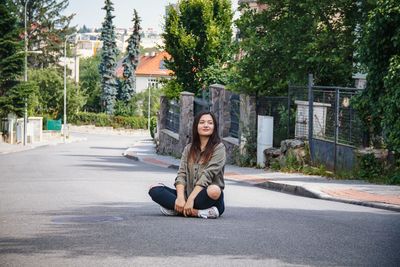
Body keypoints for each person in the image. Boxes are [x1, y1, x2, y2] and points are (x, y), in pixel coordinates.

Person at [148, 111, 226, 219]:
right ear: (196, 126)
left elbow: (208, 175)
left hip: (207, 198)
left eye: (210, 123)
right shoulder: (189, 148)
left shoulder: (219, 148)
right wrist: (180, 198)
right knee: (154, 189)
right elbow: (181, 174)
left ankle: (179, 210)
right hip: (187, 195)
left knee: (214, 190)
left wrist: (190, 199)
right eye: (202, 122)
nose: (206, 125)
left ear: (214, 127)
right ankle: (195, 212)